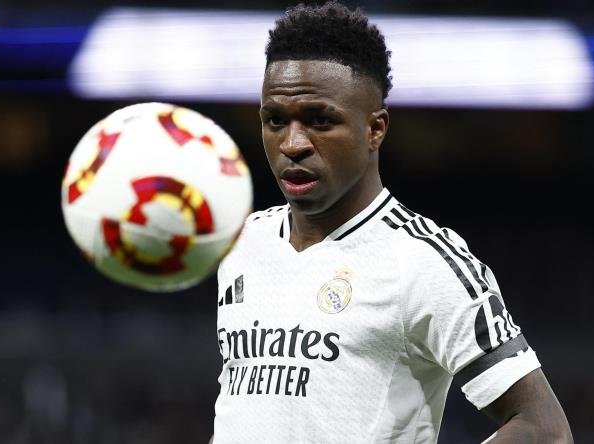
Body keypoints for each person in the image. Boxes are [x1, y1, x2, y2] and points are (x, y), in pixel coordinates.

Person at [213, 2, 572, 442]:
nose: (293, 143)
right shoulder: (243, 242)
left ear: (375, 129)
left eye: (320, 121)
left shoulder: (424, 261)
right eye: (275, 121)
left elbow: (544, 428)